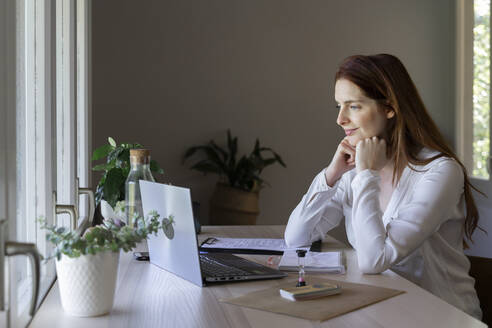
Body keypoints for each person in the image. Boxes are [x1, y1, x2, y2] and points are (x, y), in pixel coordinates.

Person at [284, 54, 482, 319]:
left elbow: (374, 260)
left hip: (440, 317)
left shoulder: (440, 172)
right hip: (383, 309)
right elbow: (296, 239)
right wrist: (331, 175)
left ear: (389, 108)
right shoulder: (353, 171)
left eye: (353, 106)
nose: (340, 119)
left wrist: (368, 174)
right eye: (339, 106)